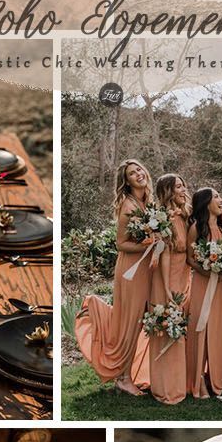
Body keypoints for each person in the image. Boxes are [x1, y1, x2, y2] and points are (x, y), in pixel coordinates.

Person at [75, 159, 152, 395]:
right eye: (132, 173)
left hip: (146, 266)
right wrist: (150, 246)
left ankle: (135, 372)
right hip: (131, 269)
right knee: (131, 321)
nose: (138, 174)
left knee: (142, 319)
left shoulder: (146, 203)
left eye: (139, 169)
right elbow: (121, 244)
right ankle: (124, 377)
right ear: (126, 182)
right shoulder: (129, 207)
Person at [148, 174, 192, 406]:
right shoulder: (163, 217)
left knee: (180, 326)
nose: (183, 189)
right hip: (167, 276)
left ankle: (180, 381)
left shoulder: (184, 214)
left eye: (183, 185)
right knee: (167, 324)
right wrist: (165, 288)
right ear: (167, 191)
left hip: (183, 273)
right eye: (178, 186)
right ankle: (166, 386)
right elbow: (164, 254)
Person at [185, 187, 222, 398]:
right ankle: (198, 383)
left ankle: (218, 380)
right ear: (205, 203)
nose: (220, 200)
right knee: (201, 330)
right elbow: (190, 258)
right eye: (215, 197)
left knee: (221, 330)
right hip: (203, 284)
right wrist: (208, 271)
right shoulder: (197, 228)